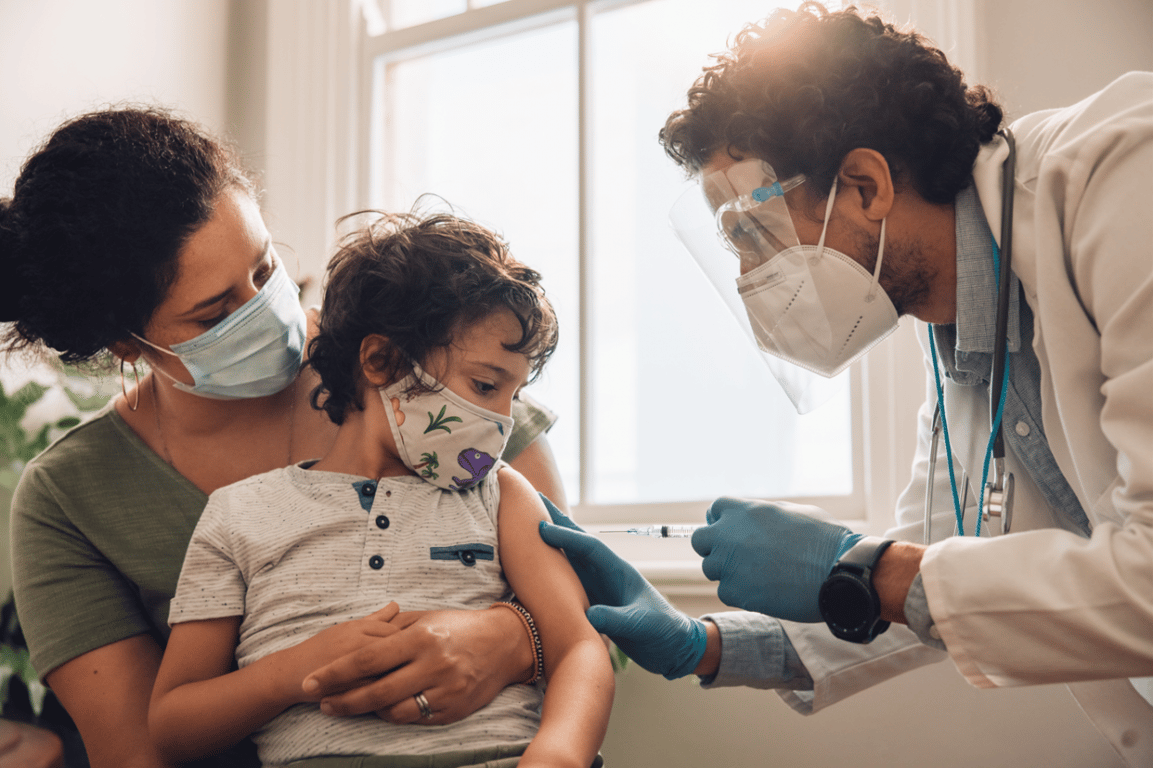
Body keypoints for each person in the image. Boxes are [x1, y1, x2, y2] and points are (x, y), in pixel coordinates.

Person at [539, 4, 1153, 765]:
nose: (745, 277)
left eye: (749, 234)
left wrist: (863, 565)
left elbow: (907, 577)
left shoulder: (1122, 175)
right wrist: (705, 644)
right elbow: (925, 576)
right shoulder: (957, 338)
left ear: (864, 185)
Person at [1, 107, 570, 768]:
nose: (269, 314)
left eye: (265, 271)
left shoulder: (424, 373)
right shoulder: (68, 500)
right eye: (216, 313)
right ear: (128, 342)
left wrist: (511, 637)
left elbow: (598, 621)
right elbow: (142, 753)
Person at [149, 210, 612, 768]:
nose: (503, 420)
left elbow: (581, 646)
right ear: (381, 360)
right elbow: (173, 724)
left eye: (513, 395)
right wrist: (295, 671)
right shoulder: (237, 514)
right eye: (486, 385)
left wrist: (557, 757)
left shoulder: (501, 494)